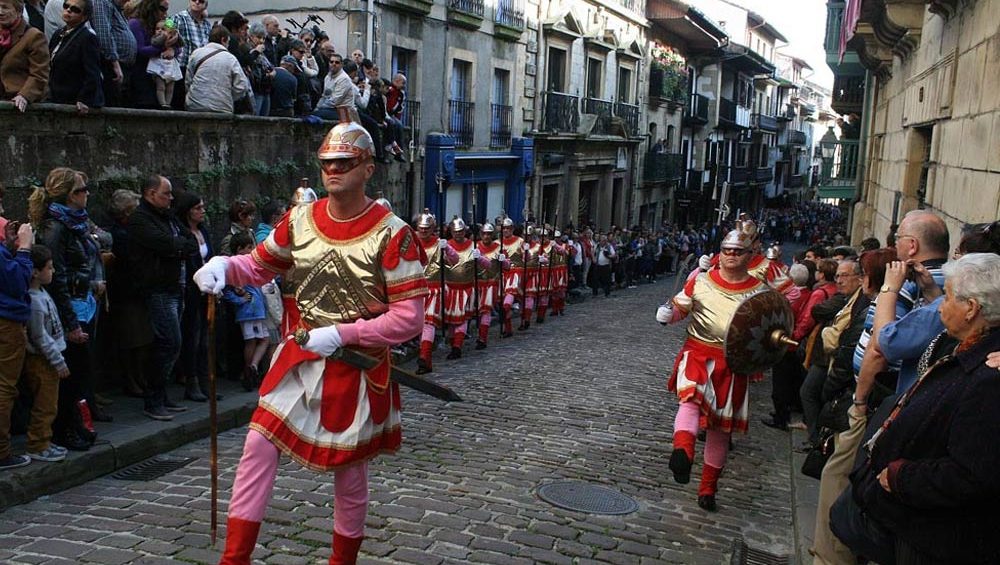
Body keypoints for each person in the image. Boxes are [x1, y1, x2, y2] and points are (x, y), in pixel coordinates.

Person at [192, 121, 429, 564]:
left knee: (348, 469)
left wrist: (344, 333)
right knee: (258, 444)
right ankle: (234, 559)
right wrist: (225, 267)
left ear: (368, 168)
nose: (333, 170)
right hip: (298, 357)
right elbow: (261, 265)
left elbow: (408, 319)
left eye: (344, 162)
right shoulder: (300, 220)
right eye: (327, 163)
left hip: (356, 366)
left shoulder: (393, 232)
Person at [832, 252, 1000, 565]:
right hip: (906, 519)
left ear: (971, 309)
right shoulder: (970, 346)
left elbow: (970, 474)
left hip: (928, 535)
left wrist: (901, 476)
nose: (941, 308)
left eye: (947, 297)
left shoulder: (989, 375)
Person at [656, 219, 767, 511]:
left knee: (720, 429)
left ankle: (707, 489)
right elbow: (682, 305)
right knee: (689, 401)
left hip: (733, 363)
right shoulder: (701, 280)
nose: (731, 255)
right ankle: (683, 452)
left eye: (738, 251)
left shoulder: (760, 290)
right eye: (727, 250)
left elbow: (772, 328)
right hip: (697, 352)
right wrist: (669, 314)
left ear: (749, 255)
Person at [31, 168, 107, 449]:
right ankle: (65, 429)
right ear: (69, 195)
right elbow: (57, 277)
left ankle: (78, 423)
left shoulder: (76, 223)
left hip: (83, 300)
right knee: (70, 371)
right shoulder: (56, 227)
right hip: (70, 305)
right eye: (82, 189)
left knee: (83, 369)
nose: (87, 193)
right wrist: (71, 323)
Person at [127, 174, 196, 421]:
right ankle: (152, 398)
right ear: (150, 194)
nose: (170, 197)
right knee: (169, 341)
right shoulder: (141, 219)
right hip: (158, 288)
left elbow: (189, 241)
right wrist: (176, 246)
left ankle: (162, 395)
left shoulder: (169, 217)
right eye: (165, 193)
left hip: (175, 285)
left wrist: (178, 246)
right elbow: (165, 244)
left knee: (171, 343)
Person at [23, 244, 69, 463]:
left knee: (50, 403)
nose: (53, 272)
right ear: (35, 271)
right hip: (43, 360)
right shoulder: (34, 301)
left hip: (50, 356)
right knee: (45, 404)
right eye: (49, 268)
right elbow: (40, 336)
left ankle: (45, 441)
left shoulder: (42, 294)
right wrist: (58, 361)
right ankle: (38, 444)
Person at [104, 189, 149, 398]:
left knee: (141, 338)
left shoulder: (131, 230)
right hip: (125, 292)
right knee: (130, 339)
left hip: (137, 291)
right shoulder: (120, 233)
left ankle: (139, 376)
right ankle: (130, 379)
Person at [0, 221, 33, 470]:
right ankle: (2, 452)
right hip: (6, 320)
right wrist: (24, 250)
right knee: (5, 387)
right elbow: (18, 281)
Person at [173, 190, 211, 402]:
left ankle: (206, 380)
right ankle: (191, 380)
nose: (202, 211)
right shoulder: (182, 232)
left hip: (207, 290)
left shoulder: (203, 231)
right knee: (192, 339)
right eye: (198, 208)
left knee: (205, 339)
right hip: (191, 290)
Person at [414, 209, 458, 374]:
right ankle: (425, 357)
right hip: (416, 288)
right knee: (417, 324)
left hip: (434, 288)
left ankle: (424, 356)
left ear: (432, 228)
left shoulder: (439, 243)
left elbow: (454, 261)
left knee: (429, 322)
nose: (423, 231)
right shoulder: (412, 242)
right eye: (421, 228)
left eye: (427, 228)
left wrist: (447, 249)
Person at [46, 0, 104, 112]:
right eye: (66, 6)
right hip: (57, 97)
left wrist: (84, 99)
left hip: (75, 101)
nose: (68, 10)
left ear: (84, 17)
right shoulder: (58, 34)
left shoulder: (87, 38)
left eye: (75, 9)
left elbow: (92, 72)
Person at [184, 24, 250, 114]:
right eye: (228, 42)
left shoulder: (196, 53)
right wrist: (228, 96)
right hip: (222, 107)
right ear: (223, 40)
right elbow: (242, 86)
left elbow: (188, 80)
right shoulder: (230, 58)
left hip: (195, 104)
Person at [0, 0, 50, 112]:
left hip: (20, 102)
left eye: (5, 8)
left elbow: (39, 74)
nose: (0, 12)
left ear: (19, 11)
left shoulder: (34, 36)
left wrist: (24, 95)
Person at [89, 0, 135, 107]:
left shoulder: (116, 7)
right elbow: (103, 33)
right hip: (111, 65)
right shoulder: (102, 2)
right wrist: (114, 62)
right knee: (112, 103)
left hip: (122, 65)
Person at [127, 0, 171, 109]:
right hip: (142, 73)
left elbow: (176, 37)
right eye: (162, 9)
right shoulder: (135, 23)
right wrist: (163, 47)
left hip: (160, 74)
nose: (165, 13)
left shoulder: (165, 22)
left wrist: (172, 49)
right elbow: (140, 50)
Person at [169, 0, 209, 108]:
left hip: (199, 71)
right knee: (178, 103)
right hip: (181, 67)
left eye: (201, 1)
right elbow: (165, 26)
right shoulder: (178, 17)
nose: (196, 2)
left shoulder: (207, 24)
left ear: (205, 5)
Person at [474, 222, 507, 349]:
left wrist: (503, 260)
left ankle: (482, 338)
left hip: (491, 283)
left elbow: (507, 266)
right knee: (473, 311)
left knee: (486, 310)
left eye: (488, 234)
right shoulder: (475, 246)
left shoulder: (499, 247)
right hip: (476, 282)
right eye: (484, 234)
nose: (486, 236)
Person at [144, 16, 182, 109]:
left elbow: (181, 44)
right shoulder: (154, 38)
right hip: (159, 64)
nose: (160, 31)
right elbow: (156, 43)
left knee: (170, 88)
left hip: (171, 65)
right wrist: (164, 36)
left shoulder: (173, 37)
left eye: (163, 29)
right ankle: (163, 103)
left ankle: (168, 103)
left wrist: (176, 34)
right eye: (157, 29)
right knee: (160, 86)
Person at [499, 217, 526, 337]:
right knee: (502, 303)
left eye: (508, 228)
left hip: (516, 272)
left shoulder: (520, 241)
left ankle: (524, 320)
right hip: (503, 273)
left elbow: (527, 258)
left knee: (508, 302)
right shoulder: (497, 242)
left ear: (512, 229)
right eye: (504, 228)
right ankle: (508, 328)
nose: (506, 230)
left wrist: (527, 252)